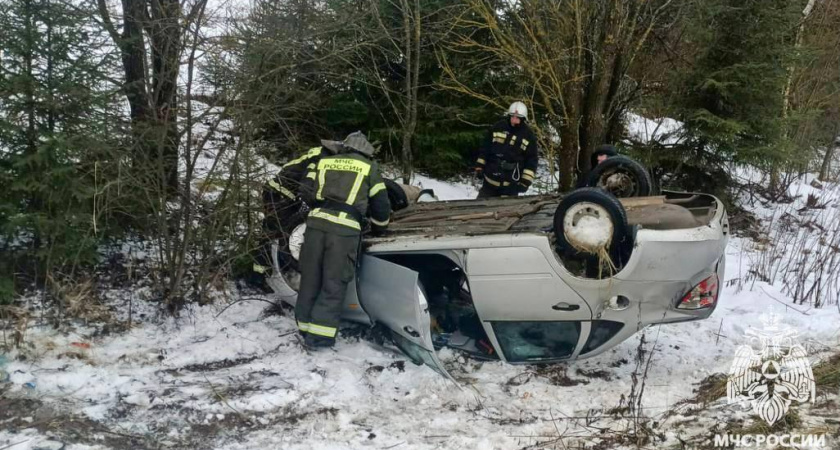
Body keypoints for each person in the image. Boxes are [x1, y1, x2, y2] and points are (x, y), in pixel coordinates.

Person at [295, 131, 391, 348]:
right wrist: (379, 227)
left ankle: (304, 327)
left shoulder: (324, 162)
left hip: (315, 226)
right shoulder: (369, 167)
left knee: (310, 277)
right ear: (366, 152)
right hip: (344, 231)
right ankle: (320, 336)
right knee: (333, 282)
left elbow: (305, 190)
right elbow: (381, 204)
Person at [251, 141, 343, 288]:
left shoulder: (318, 153)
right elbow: (307, 185)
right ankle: (257, 277)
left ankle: (269, 270)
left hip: (283, 194)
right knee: (274, 232)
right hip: (280, 194)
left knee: (276, 232)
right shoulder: (319, 160)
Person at [474, 101, 539, 198]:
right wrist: (479, 166)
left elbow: (532, 160)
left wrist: (525, 182)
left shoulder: (528, 136)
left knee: (506, 212)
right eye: (512, 116)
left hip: (510, 185)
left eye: (517, 118)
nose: (514, 120)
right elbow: (485, 148)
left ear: (523, 119)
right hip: (489, 182)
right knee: (480, 208)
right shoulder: (497, 127)